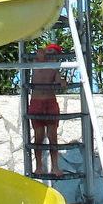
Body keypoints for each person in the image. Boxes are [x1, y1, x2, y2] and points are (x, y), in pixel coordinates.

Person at [25, 43, 68, 178]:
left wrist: (62, 82)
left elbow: (58, 81)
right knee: (38, 137)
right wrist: (43, 52)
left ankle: (55, 166)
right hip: (37, 103)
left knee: (52, 137)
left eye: (54, 53)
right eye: (49, 51)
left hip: (50, 103)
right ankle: (39, 167)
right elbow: (39, 53)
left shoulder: (54, 69)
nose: (50, 55)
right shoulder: (37, 62)